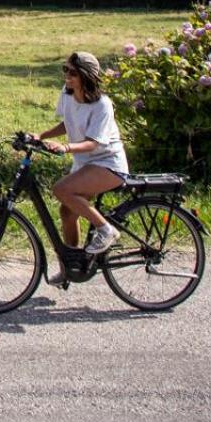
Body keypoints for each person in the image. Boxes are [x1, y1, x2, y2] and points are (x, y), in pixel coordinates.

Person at [33, 51, 130, 265]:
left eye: (72, 72)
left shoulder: (102, 105)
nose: (67, 76)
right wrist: (41, 136)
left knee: (61, 189)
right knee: (67, 212)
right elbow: (67, 123)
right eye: (65, 70)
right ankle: (73, 264)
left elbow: (93, 142)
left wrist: (65, 148)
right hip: (85, 163)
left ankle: (106, 231)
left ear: (86, 76)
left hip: (108, 163)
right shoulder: (67, 94)